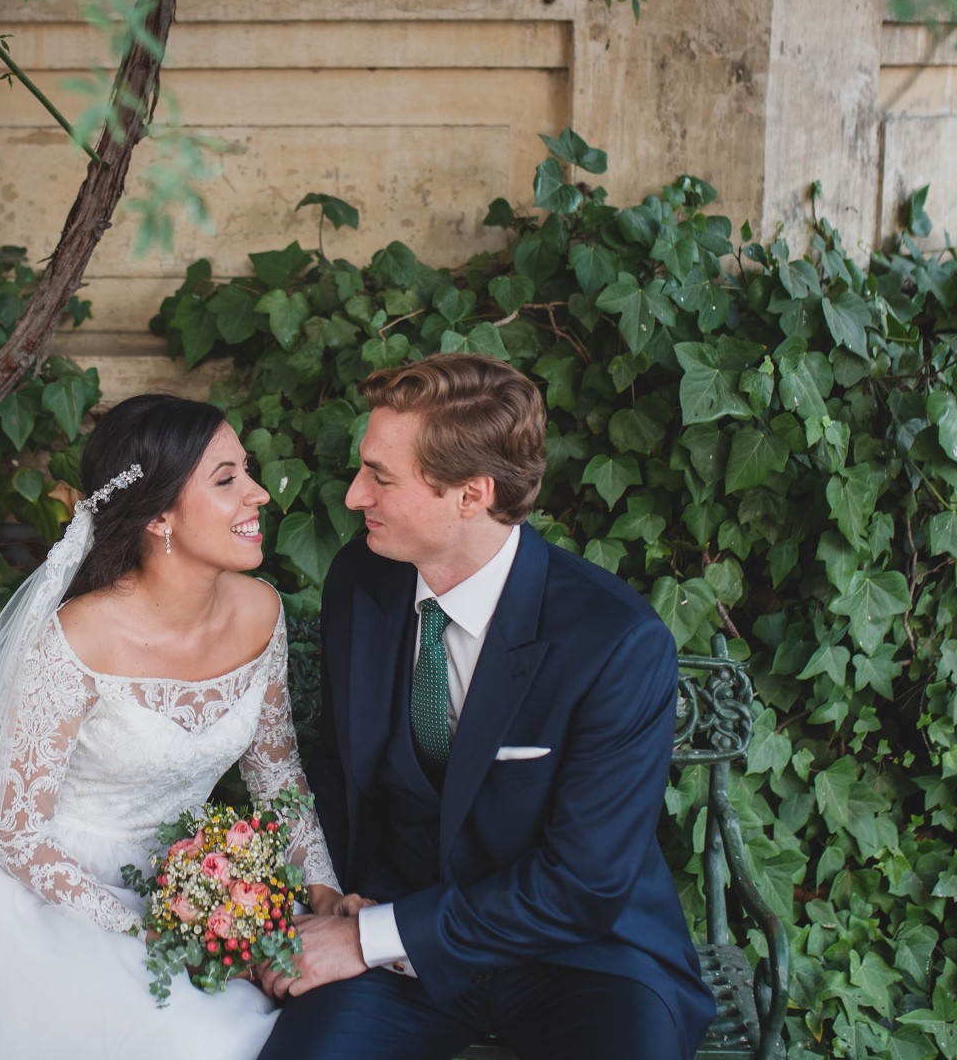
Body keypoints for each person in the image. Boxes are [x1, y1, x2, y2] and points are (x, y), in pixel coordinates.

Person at [0, 394, 353, 1060]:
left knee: (308, 1020)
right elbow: (19, 836)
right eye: (226, 478)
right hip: (48, 900)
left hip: (191, 881)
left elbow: (277, 776)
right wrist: (157, 927)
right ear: (160, 517)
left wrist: (320, 885)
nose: (258, 492)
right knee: (198, 1041)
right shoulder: (77, 637)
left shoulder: (261, 611)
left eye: (248, 471)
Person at [258, 353, 716, 1060]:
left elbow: (581, 884)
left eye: (380, 476)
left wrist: (368, 937)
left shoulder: (614, 641)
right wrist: (320, 899)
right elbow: (341, 770)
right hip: (390, 940)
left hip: (583, 957)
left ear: (470, 494)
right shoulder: (361, 580)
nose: (353, 496)